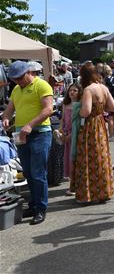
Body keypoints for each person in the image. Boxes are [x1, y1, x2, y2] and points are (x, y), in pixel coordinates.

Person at [2, 61, 54, 225]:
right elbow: (11, 107)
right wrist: (5, 118)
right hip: (21, 134)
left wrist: (30, 125)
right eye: (15, 79)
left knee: (38, 173)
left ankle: (41, 208)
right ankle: (33, 204)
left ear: (28, 72)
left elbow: (48, 109)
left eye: (20, 78)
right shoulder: (17, 89)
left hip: (39, 133)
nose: (18, 81)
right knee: (28, 172)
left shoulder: (42, 85)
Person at [74, 62, 114, 204]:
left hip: (90, 125)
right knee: (102, 157)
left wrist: (77, 112)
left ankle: (89, 194)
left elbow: (85, 111)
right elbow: (113, 106)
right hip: (101, 124)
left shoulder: (88, 90)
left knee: (88, 157)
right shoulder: (103, 88)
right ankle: (104, 191)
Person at [59, 82, 82, 196]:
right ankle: (72, 182)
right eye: (70, 90)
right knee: (68, 158)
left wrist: (70, 135)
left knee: (75, 159)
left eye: (75, 90)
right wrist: (61, 130)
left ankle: (75, 184)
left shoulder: (80, 104)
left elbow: (79, 123)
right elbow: (63, 118)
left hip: (75, 134)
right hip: (66, 132)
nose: (72, 92)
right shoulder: (65, 103)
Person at [103, 64, 114, 141]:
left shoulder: (104, 79)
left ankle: (111, 136)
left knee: (110, 118)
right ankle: (113, 134)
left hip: (108, 99)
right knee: (113, 118)